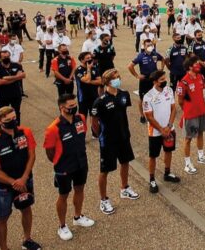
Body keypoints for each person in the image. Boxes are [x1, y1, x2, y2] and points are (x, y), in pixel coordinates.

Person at [0, 107, 41, 250]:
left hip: (26, 180)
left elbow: (32, 155)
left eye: (14, 118)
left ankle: (27, 240)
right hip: (4, 187)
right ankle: (4, 248)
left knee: (26, 209)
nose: (12, 121)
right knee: (2, 218)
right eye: (8, 120)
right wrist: (14, 182)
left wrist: (24, 177)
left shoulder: (25, 132)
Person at [44, 94, 94, 241]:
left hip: (81, 162)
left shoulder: (81, 119)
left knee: (79, 189)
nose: (74, 108)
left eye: (74, 105)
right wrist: (59, 162)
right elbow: (49, 152)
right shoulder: (53, 128)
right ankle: (62, 226)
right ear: (61, 108)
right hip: (64, 166)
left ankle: (77, 216)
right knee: (63, 195)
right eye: (70, 106)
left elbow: (82, 136)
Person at [91, 69, 139, 215]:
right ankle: (104, 199)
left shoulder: (124, 95)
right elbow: (94, 122)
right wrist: (101, 135)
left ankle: (124, 188)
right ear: (107, 81)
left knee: (125, 162)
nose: (118, 79)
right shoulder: (100, 101)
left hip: (124, 136)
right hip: (108, 141)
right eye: (115, 78)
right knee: (104, 171)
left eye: (119, 76)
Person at [142, 70, 180, 193]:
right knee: (153, 156)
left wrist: (169, 126)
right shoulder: (148, 97)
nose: (165, 81)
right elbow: (149, 116)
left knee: (168, 151)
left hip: (169, 128)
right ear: (155, 82)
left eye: (165, 79)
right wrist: (161, 130)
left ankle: (167, 173)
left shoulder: (169, 90)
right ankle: (152, 179)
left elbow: (174, 108)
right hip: (155, 132)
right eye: (162, 80)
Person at [177, 57, 205, 174]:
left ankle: (201, 156)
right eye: (197, 63)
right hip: (191, 114)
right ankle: (187, 164)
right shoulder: (183, 82)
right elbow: (180, 101)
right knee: (188, 139)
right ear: (190, 67)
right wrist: (187, 110)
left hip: (201, 111)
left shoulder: (200, 77)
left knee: (201, 133)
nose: (199, 65)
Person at [128, 39, 164, 124]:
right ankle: (142, 115)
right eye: (148, 45)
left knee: (155, 96)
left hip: (154, 80)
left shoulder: (155, 54)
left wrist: (161, 69)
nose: (150, 47)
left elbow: (163, 59)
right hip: (145, 80)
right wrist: (137, 76)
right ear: (144, 46)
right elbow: (130, 66)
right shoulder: (141, 56)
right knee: (142, 98)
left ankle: (154, 113)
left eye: (151, 45)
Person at [0, 50, 26, 124]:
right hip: (3, 96)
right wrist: (16, 77)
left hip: (16, 94)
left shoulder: (17, 65)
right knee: (3, 114)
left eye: (8, 56)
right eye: (4, 57)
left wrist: (7, 78)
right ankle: (3, 129)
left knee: (16, 112)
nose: (7, 58)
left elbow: (23, 75)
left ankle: (17, 127)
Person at [187, 30, 205, 102]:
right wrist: (201, 62)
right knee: (198, 81)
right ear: (195, 36)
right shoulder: (192, 44)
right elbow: (192, 55)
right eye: (198, 35)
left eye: (201, 35)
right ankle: (199, 96)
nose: (200, 36)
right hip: (197, 66)